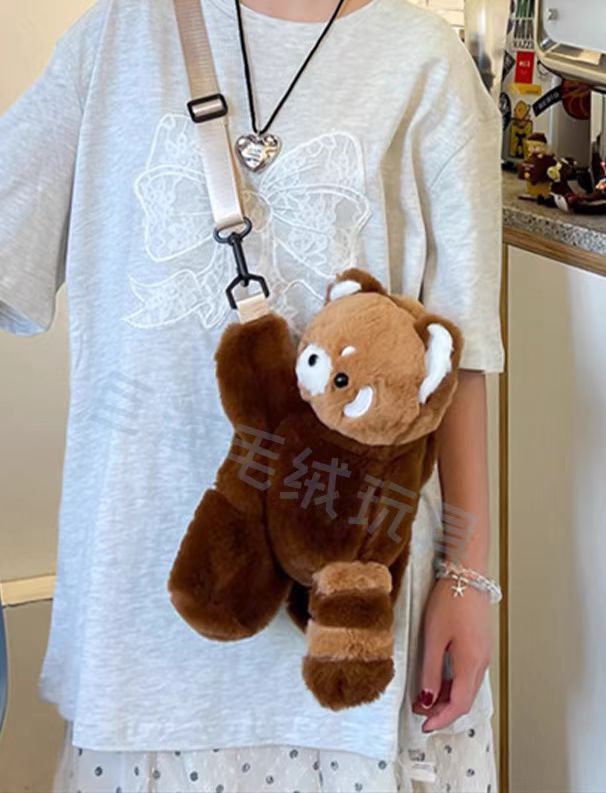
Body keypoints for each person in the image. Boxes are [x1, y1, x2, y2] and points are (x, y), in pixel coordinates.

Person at [0, 0, 504, 791]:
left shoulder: (425, 63)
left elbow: (462, 354)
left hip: (355, 621)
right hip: (143, 623)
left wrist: (467, 577)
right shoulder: (118, 37)